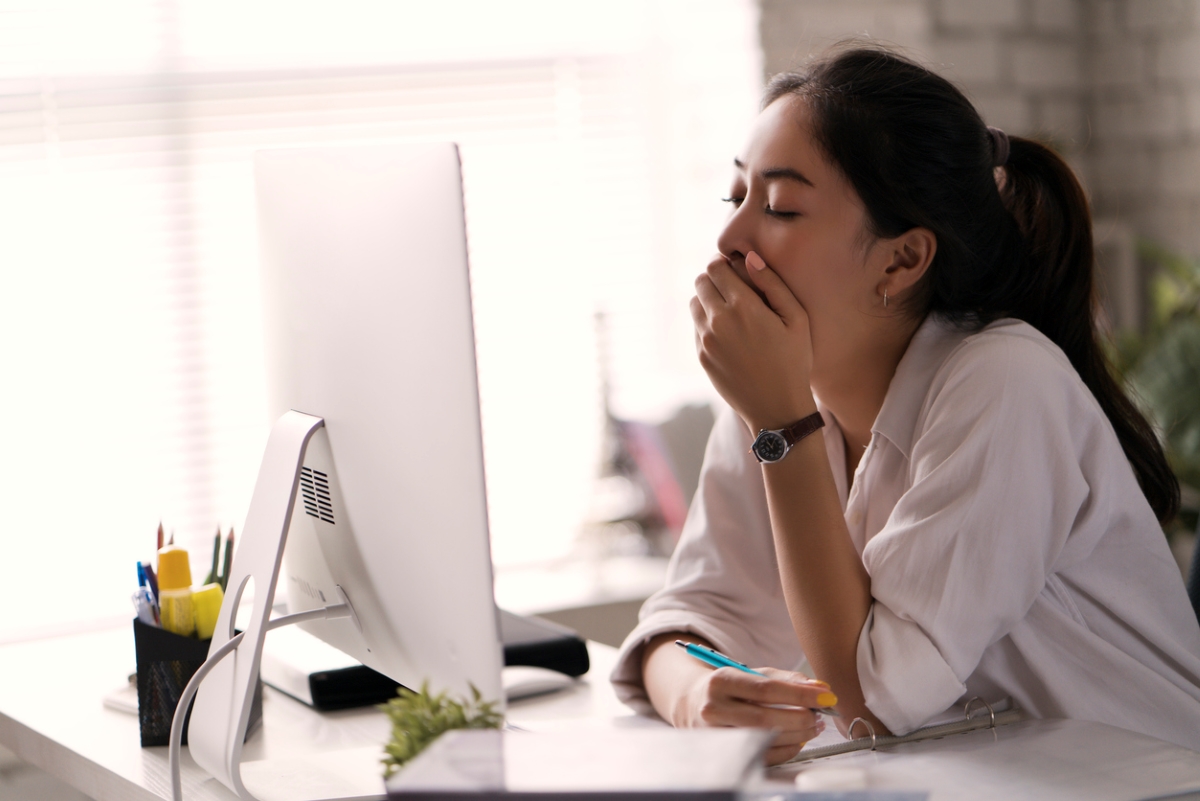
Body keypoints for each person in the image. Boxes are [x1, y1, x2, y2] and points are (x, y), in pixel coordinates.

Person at [611, 45, 1200, 765]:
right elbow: (687, 618)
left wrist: (780, 427)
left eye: (780, 207)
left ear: (901, 259)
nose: (730, 240)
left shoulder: (1005, 383)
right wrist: (694, 697)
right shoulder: (776, 393)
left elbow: (866, 703)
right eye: (736, 199)